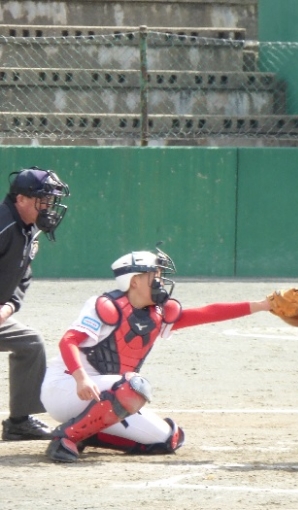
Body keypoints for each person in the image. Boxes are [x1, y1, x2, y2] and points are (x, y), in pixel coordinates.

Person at [41, 247, 276, 463]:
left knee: (167, 440)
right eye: (155, 276)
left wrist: (262, 305)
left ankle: (86, 433)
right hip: (65, 388)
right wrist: (81, 378)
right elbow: (68, 340)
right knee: (133, 386)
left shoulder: (158, 315)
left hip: (106, 395)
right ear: (134, 281)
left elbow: (207, 312)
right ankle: (65, 438)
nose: (161, 282)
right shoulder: (106, 307)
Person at [0, 167, 70, 441]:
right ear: (21, 199)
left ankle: (19, 422)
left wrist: (8, 307)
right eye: (43, 200)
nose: (48, 206)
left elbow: (22, 276)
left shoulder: (28, 229)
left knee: (30, 343)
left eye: (50, 200)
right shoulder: (4, 224)